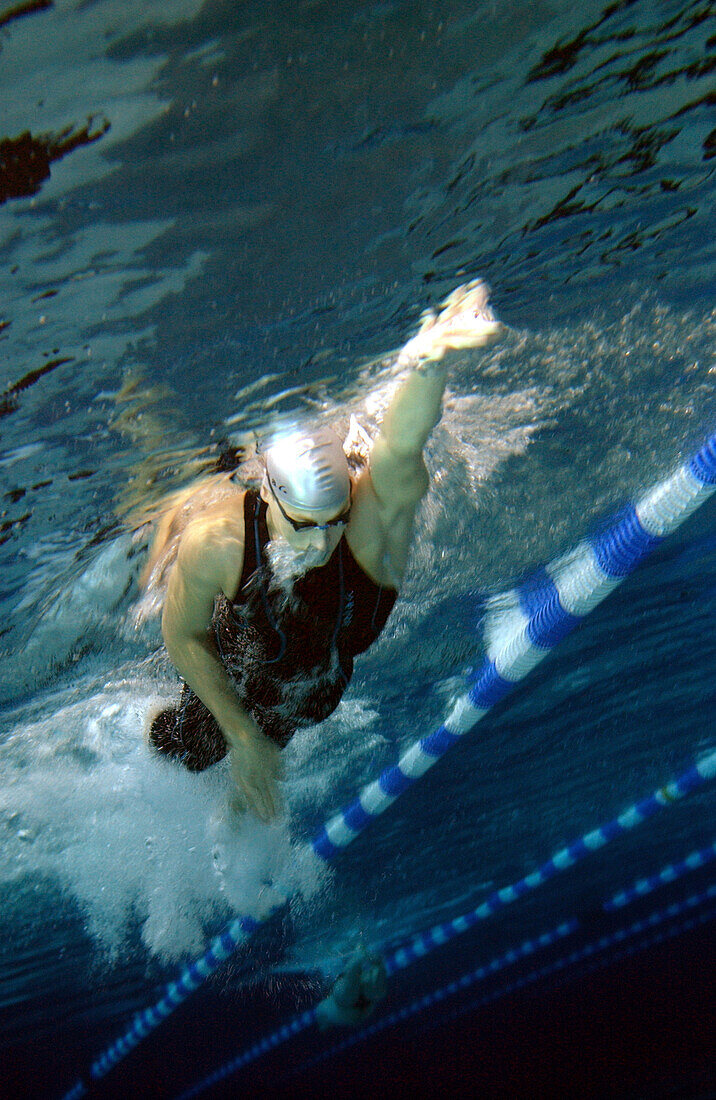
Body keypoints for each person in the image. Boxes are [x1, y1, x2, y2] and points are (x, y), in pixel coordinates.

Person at [146, 280, 502, 822]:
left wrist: (433, 362)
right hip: (239, 653)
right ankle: (138, 407)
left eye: (333, 523)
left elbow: (400, 449)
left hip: (291, 687)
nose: (320, 543)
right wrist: (243, 737)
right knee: (190, 748)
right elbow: (181, 633)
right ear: (268, 498)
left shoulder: (366, 532)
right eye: (304, 527)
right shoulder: (220, 542)